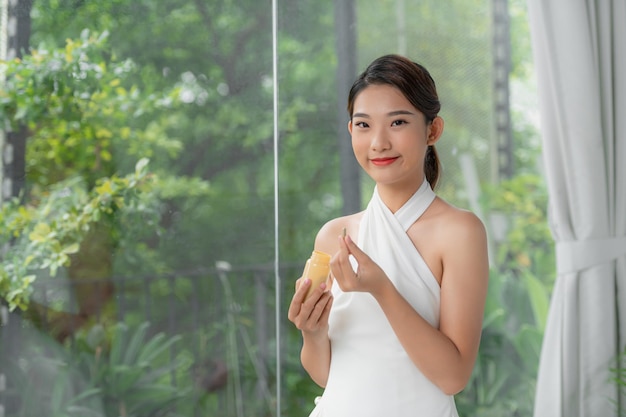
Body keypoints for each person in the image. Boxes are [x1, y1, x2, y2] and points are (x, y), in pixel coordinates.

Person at [287, 54, 489, 417]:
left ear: (432, 130)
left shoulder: (459, 232)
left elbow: (453, 377)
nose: (378, 142)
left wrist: (382, 288)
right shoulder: (334, 235)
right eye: (363, 125)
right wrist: (312, 333)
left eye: (397, 122)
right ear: (351, 131)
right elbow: (327, 376)